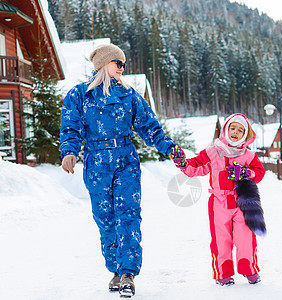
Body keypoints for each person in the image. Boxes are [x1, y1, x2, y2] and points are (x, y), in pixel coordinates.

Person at [59, 43, 180, 298]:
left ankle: (128, 273)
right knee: (105, 218)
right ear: (105, 64)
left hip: (125, 159)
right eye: (119, 64)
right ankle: (114, 269)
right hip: (96, 163)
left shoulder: (129, 95)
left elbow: (149, 127)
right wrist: (69, 151)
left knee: (128, 215)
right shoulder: (79, 95)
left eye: (124, 64)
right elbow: (70, 127)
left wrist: (169, 148)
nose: (123, 69)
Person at [172, 113, 266, 286]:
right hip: (219, 203)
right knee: (221, 239)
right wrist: (183, 163)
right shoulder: (213, 152)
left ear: (245, 135)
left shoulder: (248, 156)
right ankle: (223, 273)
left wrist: (245, 172)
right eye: (232, 128)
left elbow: (259, 173)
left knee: (245, 237)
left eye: (240, 130)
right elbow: (196, 166)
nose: (235, 132)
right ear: (225, 129)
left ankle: (249, 269)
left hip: (242, 202)